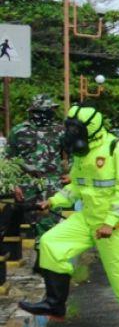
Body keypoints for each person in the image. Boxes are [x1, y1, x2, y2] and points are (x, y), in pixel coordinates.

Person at [19, 105, 119, 327]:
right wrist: (53, 201)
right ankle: (54, 304)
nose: (69, 132)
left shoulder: (118, 149)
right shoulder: (82, 152)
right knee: (51, 242)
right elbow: (76, 188)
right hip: (89, 218)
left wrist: (109, 222)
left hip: (118, 225)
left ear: (90, 128)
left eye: (74, 128)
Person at [1, 94, 65, 243]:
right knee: (32, 224)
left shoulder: (60, 131)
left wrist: (71, 175)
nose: (49, 113)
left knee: (51, 225)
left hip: (51, 185)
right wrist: (13, 185)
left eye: (51, 110)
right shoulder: (19, 131)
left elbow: (75, 154)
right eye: (46, 110)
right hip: (26, 187)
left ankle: (44, 263)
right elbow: (8, 160)